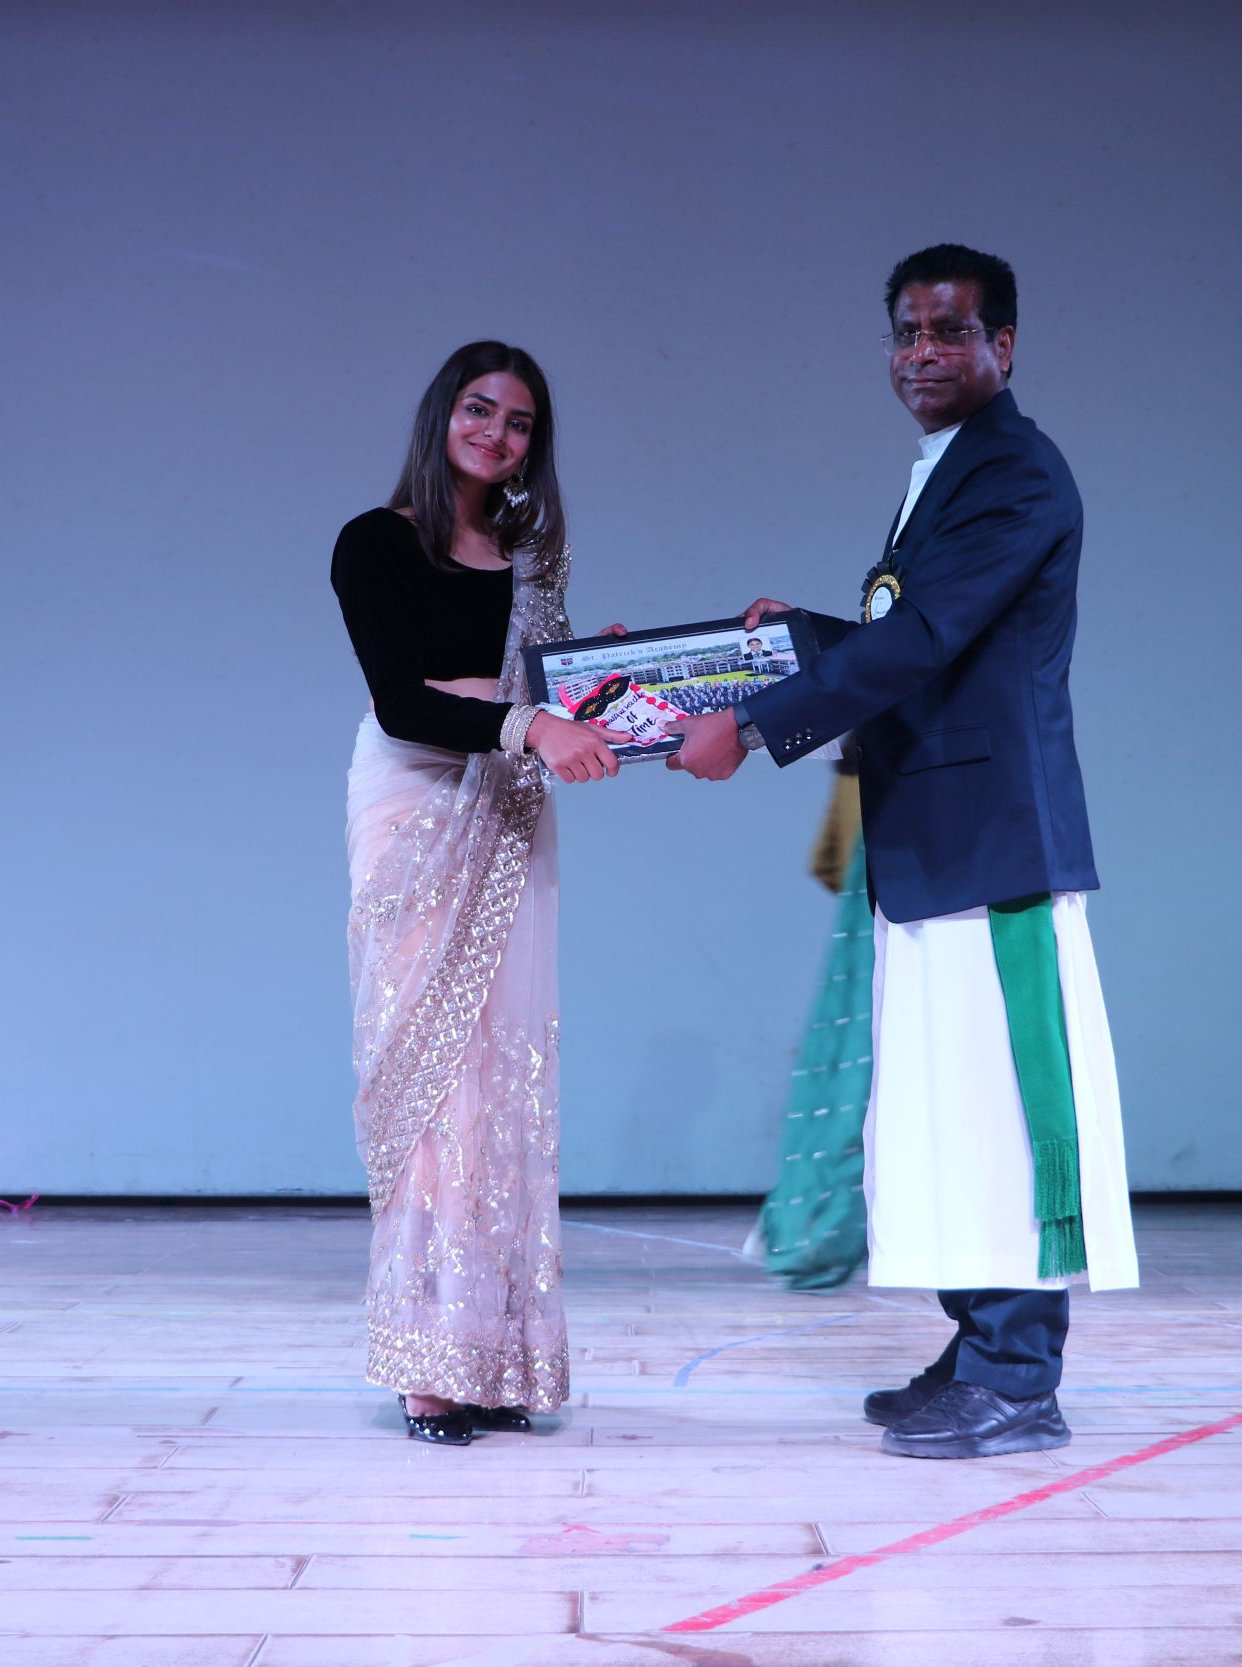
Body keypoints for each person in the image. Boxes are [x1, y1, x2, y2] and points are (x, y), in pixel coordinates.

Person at [670, 245, 1139, 1460]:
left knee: (1002, 1110)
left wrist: (758, 724)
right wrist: (801, 636)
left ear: (1003, 345)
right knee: (944, 1110)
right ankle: (979, 1342)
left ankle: (1019, 1377)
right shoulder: (949, 468)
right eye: (906, 332)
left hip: (997, 848)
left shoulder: (1014, 472)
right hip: (936, 840)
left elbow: (923, 640)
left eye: (949, 330)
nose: (922, 352)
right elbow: (922, 638)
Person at [331, 341, 623, 1446]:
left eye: (519, 423)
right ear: (441, 415)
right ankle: (426, 1364)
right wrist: (528, 718)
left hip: (506, 807)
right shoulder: (375, 541)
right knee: (430, 1077)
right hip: (415, 808)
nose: (496, 434)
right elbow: (404, 701)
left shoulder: (529, 562)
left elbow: (537, 695)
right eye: (479, 409)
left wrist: (601, 682)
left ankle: (492, 1355)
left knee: (505, 1074)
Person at [753, 757, 873, 1290]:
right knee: (858, 1056)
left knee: (859, 1059)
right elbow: (831, 862)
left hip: (904, 806)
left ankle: (819, 1224)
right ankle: (819, 1224)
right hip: (891, 801)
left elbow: (829, 863)